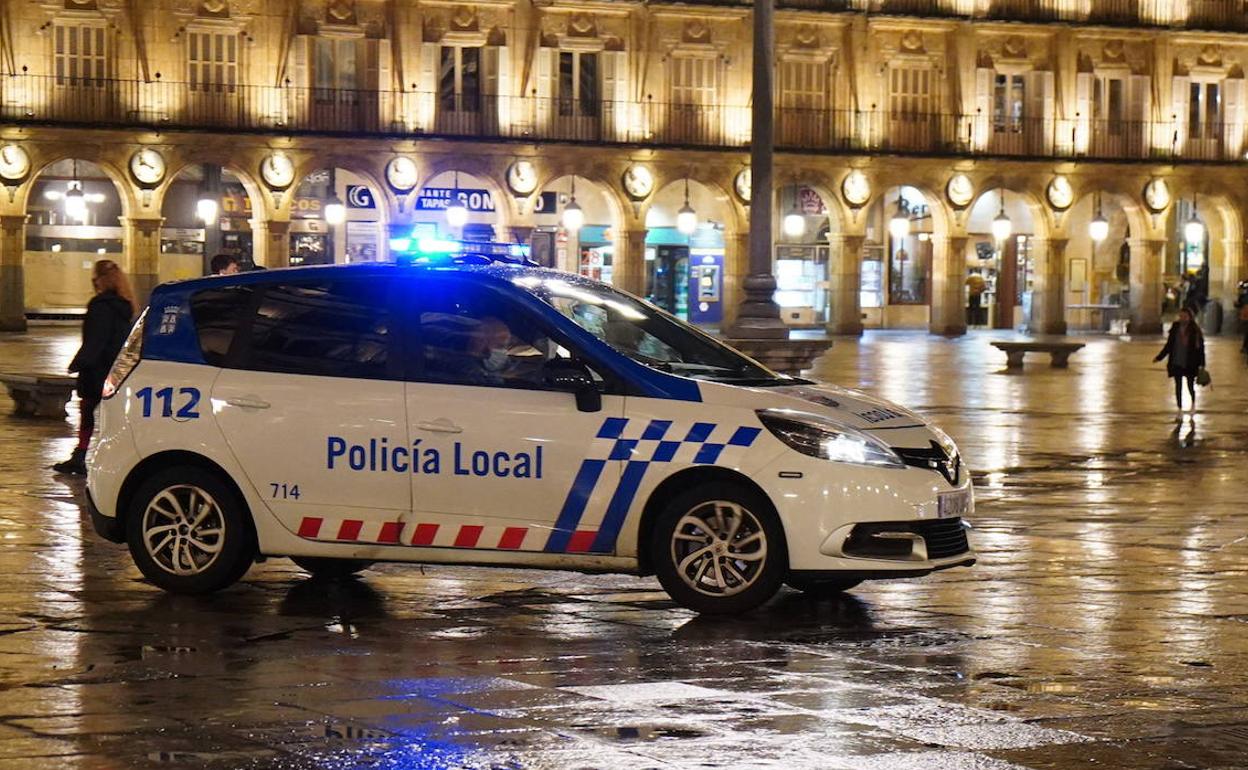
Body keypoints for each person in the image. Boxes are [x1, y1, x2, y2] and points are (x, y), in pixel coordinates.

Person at [53, 260, 136, 475]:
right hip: (117, 370)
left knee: (88, 411)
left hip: (98, 368)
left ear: (100, 280)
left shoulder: (100, 305)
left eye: (94, 278)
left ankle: (81, 456)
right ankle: (118, 458)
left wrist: (79, 363)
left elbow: (96, 339)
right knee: (114, 416)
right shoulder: (125, 306)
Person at [1153, 306, 1206, 412]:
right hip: (1176, 360)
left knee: (1190, 385)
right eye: (1181, 316)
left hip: (1190, 362)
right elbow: (1169, 345)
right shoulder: (1175, 328)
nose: (1182, 318)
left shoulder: (1195, 331)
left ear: (1190, 317)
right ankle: (1179, 408)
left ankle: (1193, 404)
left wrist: (1202, 364)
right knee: (1178, 386)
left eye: (1185, 316)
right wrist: (1159, 357)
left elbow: (1200, 349)